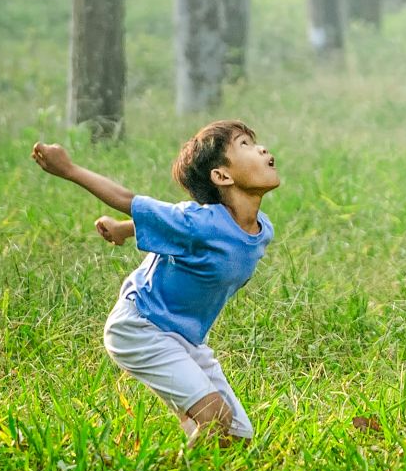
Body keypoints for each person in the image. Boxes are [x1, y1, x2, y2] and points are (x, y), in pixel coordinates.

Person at [30, 121, 279, 441]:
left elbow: (171, 228)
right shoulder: (199, 222)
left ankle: (194, 435)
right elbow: (129, 199)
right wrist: (68, 169)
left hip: (185, 339)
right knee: (215, 420)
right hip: (141, 327)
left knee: (237, 436)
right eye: (244, 145)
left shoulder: (262, 229)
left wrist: (123, 229)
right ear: (222, 176)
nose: (261, 149)